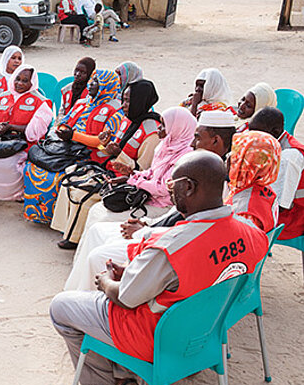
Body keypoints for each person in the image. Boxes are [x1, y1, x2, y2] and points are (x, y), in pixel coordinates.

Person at [50, 151, 268, 385]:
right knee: (132, 298)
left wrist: (106, 282)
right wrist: (135, 274)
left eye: (172, 184)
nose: (171, 191)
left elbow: (126, 298)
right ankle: (124, 381)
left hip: (157, 338)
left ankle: (120, 382)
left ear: (188, 187)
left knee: (61, 306)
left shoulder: (173, 246)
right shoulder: (253, 235)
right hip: (207, 334)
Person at [64, 110, 246, 291]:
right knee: (97, 230)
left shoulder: (214, 178)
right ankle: (77, 290)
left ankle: (90, 300)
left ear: (215, 140)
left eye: (197, 137)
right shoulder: (201, 164)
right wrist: (146, 223)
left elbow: (187, 229)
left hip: (163, 242)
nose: (192, 142)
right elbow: (178, 215)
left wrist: (145, 231)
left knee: (99, 255)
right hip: (159, 227)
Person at [80, 106, 197, 234]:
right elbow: (151, 172)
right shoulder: (165, 145)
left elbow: (163, 188)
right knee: (96, 210)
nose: (159, 128)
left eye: (164, 125)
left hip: (161, 205)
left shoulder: (185, 156)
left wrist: (134, 181)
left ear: (178, 128)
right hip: (147, 197)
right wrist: (131, 175)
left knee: (103, 220)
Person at [48, 70, 126, 248]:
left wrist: (74, 135)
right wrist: (63, 130)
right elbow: (64, 120)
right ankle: (61, 226)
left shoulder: (115, 111)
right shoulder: (84, 102)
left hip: (92, 155)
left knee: (69, 179)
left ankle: (72, 235)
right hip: (68, 145)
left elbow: (101, 142)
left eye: (96, 81)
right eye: (91, 81)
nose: (91, 84)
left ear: (107, 85)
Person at [0, 65, 53, 201]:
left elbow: (34, 133)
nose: (20, 83)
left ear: (32, 82)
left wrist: (12, 127)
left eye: (25, 80)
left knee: (8, 165)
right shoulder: (3, 97)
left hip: (23, 145)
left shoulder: (40, 102)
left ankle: (16, 194)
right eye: (17, 79)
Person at [248, 107, 304, 240]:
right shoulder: (272, 144)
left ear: (275, 132)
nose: (252, 138)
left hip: (294, 218)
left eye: (257, 134)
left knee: (241, 221)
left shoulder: (289, 157)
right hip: (285, 210)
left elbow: (280, 206)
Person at [224, 130, 280, 232]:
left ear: (247, 164)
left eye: (236, 155)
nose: (228, 159)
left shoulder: (244, 211)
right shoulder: (266, 188)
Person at [0, 46, 24, 114]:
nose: (17, 61)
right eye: (13, 58)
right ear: (6, 59)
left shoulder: (26, 80)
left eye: (19, 58)